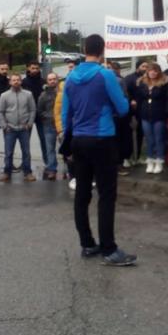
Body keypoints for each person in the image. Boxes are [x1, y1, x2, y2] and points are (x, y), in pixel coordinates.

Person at [62, 34, 134, 266]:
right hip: (102, 138)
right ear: (102, 50)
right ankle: (109, 249)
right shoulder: (105, 75)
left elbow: (66, 114)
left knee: (82, 194)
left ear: (84, 49)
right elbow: (122, 108)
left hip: (79, 140)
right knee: (106, 195)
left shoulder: (71, 77)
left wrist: (68, 139)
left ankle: (87, 243)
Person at [0, 72, 37, 182]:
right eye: (14, 80)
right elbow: (0, 112)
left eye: (18, 80)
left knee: (26, 152)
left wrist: (29, 123)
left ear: (21, 81)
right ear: (10, 82)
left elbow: (33, 110)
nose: (16, 82)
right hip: (10, 129)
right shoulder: (4, 95)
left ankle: (27, 172)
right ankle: (7, 172)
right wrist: (4, 126)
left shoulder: (28, 94)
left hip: (24, 129)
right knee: (8, 152)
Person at [132, 62, 168, 174]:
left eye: (155, 70)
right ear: (147, 72)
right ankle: (150, 160)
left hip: (159, 116)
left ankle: (159, 161)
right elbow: (138, 98)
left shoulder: (164, 84)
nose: (152, 72)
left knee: (159, 139)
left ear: (158, 72)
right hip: (145, 115)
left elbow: (164, 99)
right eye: (150, 70)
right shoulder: (141, 83)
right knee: (149, 139)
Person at [107, 61, 132, 176]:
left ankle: (115, 164)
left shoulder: (119, 81)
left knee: (114, 141)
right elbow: (123, 98)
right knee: (117, 141)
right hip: (116, 115)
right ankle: (118, 164)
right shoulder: (119, 80)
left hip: (111, 116)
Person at [22, 61, 47, 169]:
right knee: (25, 141)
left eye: (37, 68)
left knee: (44, 140)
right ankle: (25, 164)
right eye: (33, 68)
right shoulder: (24, 82)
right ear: (28, 68)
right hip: (28, 116)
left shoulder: (43, 82)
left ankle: (48, 162)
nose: (35, 70)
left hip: (41, 116)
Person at [124, 60, 149, 164]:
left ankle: (138, 157)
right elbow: (125, 92)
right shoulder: (129, 78)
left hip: (143, 110)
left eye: (147, 66)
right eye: (143, 66)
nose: (145, 68)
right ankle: (126, 157)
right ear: (138, 67)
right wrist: (131, 100)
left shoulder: (148, 79)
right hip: (130, 111)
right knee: (128, 135)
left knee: (140, 134)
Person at [37, 72, 60, 180]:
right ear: (47, 81)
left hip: (61, 125)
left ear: (57, 79)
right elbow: (39, 110)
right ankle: (52, 170)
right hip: (49, 125)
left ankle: (70, 170)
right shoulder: (43, 95)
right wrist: (48, 117)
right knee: (50, 149)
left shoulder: (63, 92)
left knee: (66, 148)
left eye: (54, 79)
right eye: (50, 79)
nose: (52, 81)